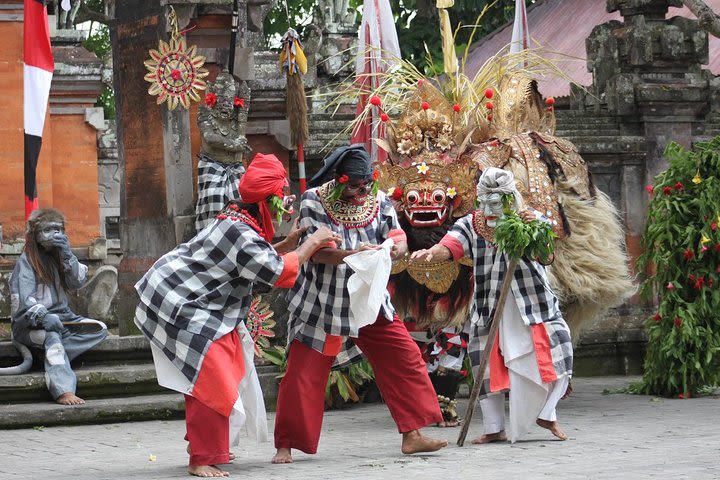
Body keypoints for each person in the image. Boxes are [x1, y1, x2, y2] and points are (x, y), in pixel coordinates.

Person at [134, 153, 340, 478]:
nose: (285, 205)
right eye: (281, 197)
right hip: (178, 299)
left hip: (200, 303)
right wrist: (311, 244)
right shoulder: (239, 230)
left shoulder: (239, 219)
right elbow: (276, 273)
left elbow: (255, 259)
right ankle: (202, 457)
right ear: (267, 199)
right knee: (211, 377)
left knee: (228, 370)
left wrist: (284, 245)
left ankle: (201, 445)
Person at [272, 144, 448, 465]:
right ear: (338, 180)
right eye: (353, 184)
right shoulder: (314, 199)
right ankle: (286, 444)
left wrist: (394, 248)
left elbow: (397, 234)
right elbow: (317, 252)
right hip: (322, 301)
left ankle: (413, 434)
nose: (360, 190)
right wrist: (351, 256)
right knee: (303, 372)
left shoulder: (378, 199)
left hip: (368, 297)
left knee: (404, 356)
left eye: (366, 184)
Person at [411, 167, 573, 444]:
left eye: (495, 203)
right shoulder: (472, 224)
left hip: (532, 304)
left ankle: (547, 413)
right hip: (489, 304)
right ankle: (494, 427)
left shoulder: (532, 220)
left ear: (510, 199)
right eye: (483, 201)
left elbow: (546, 255)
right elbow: (450, 246)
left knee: (560, 351)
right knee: (485, 365)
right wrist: (431, 253)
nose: (488, 209)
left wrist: (532, 230)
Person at [9, 208, 108, 404]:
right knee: (52, 337)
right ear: (35, 234)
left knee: (99, 329)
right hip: (29, 325)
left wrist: (68, 253)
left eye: (58, 229)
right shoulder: (26, 262)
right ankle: (63, 390)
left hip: (64, 319)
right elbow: (23, 304)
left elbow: (77, 282)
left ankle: (53, 355)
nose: (55, 234)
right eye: (48, 230)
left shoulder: (59, 256)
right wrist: (44, 318)